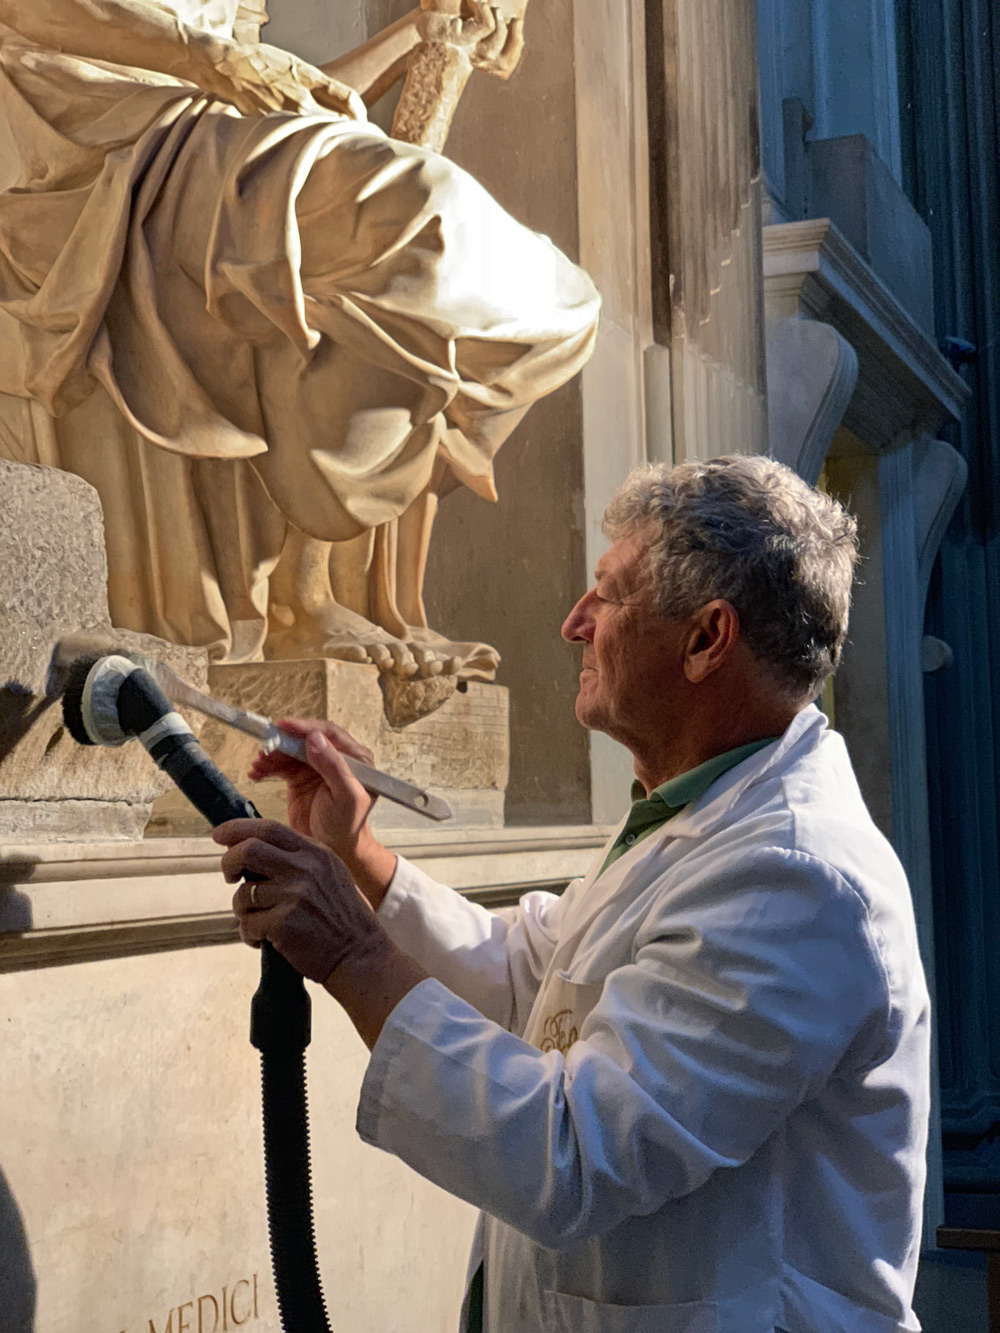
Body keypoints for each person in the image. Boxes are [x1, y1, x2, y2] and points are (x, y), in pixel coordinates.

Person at [216, 455, 931, 1333]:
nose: (573, 622)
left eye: (608, 594)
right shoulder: (695, 815)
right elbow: (532, 981)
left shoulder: (793, 874)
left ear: (707, 638)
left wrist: (354, 957)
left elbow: (573, 1154)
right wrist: (359, 855)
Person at [0, 0, 598, 674]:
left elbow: (284, 87)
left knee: (553, 298)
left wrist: (423, 32)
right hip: (84, 133)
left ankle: (309, 554)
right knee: (425, 215)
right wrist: (214, 59)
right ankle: (301, 587)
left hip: (211, 129)